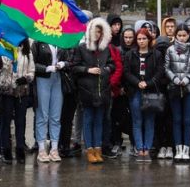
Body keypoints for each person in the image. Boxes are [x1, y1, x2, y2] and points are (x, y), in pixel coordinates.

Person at [72, 17, 115, 164]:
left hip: (102, 90)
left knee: (99, 121)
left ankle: (98, 149)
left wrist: (107, 69)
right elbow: (74, 67)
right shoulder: (82, 48)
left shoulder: (105, 48)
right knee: (88, 120)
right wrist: (87, 70)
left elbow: (112, 64)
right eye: (95, 32)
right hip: (87, 91)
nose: (97, 35)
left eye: (99, 32)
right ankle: (89, 149)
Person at [164, 24, 190, 162]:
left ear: (188, 35)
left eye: (184, 35)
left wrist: (188, 78)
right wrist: (174, 78)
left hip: (189, 88)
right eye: (179, 35)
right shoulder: (170, 49)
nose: (181, 38)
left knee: (187, 120)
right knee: (177, 119)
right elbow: (166, 68)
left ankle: (186, 148)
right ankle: (178, 148)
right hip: (174, 88)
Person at [124, 28, 163, 160]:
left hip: (150, 92)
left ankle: (147, 148)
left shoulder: (156, 54)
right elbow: (127, 72)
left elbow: (159, 72)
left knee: (149, 120)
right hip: (135, 91)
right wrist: (137, 82)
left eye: (144, 38)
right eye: (139, 39)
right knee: (137, 121)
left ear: (149, 39)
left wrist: (149, 83)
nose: (141, 41)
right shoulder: (130, 54)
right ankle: (140, 148)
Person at [0, 40, 35, 163]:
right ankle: (5, 150)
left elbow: (31, 71)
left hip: (22, 92)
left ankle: (20, 150)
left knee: (20, 122)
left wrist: (26, 78)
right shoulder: (3, 50)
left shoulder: (27, 53)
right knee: (6, 121)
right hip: (7, 92)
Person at [33, 39, 68, 162]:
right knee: (42, 114)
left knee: (56, 115)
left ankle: (54, 148)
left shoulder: (60, 40)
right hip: (43, 78)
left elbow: (69, 59)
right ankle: (42, 149)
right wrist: (47, 68)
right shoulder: (38, 42)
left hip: (58, 78)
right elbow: (32, 63)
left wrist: (64, 63)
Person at [153, 16, 178, 159]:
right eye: (167, 26)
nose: (170, 29)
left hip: (173, 85)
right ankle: (160, 145)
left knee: (171, 118)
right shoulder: (159, 42)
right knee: (159, 117)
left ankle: (170, 145)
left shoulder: (179, 43)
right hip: (160, 86)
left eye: (172, 26)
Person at [110, 26, 136, 154]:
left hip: (133, 89)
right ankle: (117, 142)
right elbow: (115, 70)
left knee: (133, 117)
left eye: (131, 37)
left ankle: (134, 142)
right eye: (126, 37)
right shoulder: (117, 50)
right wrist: (118, 88)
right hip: (118, 90)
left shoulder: (137, 50)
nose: (128, 40)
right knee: (117, 117)